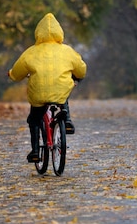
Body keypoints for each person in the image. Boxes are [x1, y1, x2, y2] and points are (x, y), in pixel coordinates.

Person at [8, 13, 87, 163]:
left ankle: (36, 151)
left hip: (39, 94)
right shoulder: (67, 51)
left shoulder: (31, 52)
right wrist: (75, 77)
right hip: (60, 90)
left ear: (38, 33)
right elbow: (81, 69)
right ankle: (67, 120)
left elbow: (17, 73)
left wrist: (11, 74)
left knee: (34, 119)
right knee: (63, 91)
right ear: (59, 32)